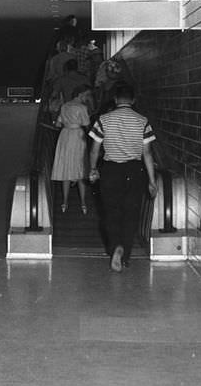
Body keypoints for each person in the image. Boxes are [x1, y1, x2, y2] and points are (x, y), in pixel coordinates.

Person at [88, 82, 157, 272]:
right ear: (133, 100)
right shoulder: (142, 121)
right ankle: (125, 254)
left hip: (110, 170)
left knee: (111, 212)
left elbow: (95, 149)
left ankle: (115, 246)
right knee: (131, 213)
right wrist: (152, 181)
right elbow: (148, 153)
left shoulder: (104, 119)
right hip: (135, 171)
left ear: (116, 99)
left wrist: (93, 169)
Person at [50, 82, 93, 214]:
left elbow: (58, 123)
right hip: (77, 136)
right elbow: (87, 124)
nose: (88, 98)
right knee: (80, 167)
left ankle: (64, 202)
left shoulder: (65, 106)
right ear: (80, 94)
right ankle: (84, 204)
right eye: (87, 95)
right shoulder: (82, 108)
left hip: (65, 135)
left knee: (66, 168)